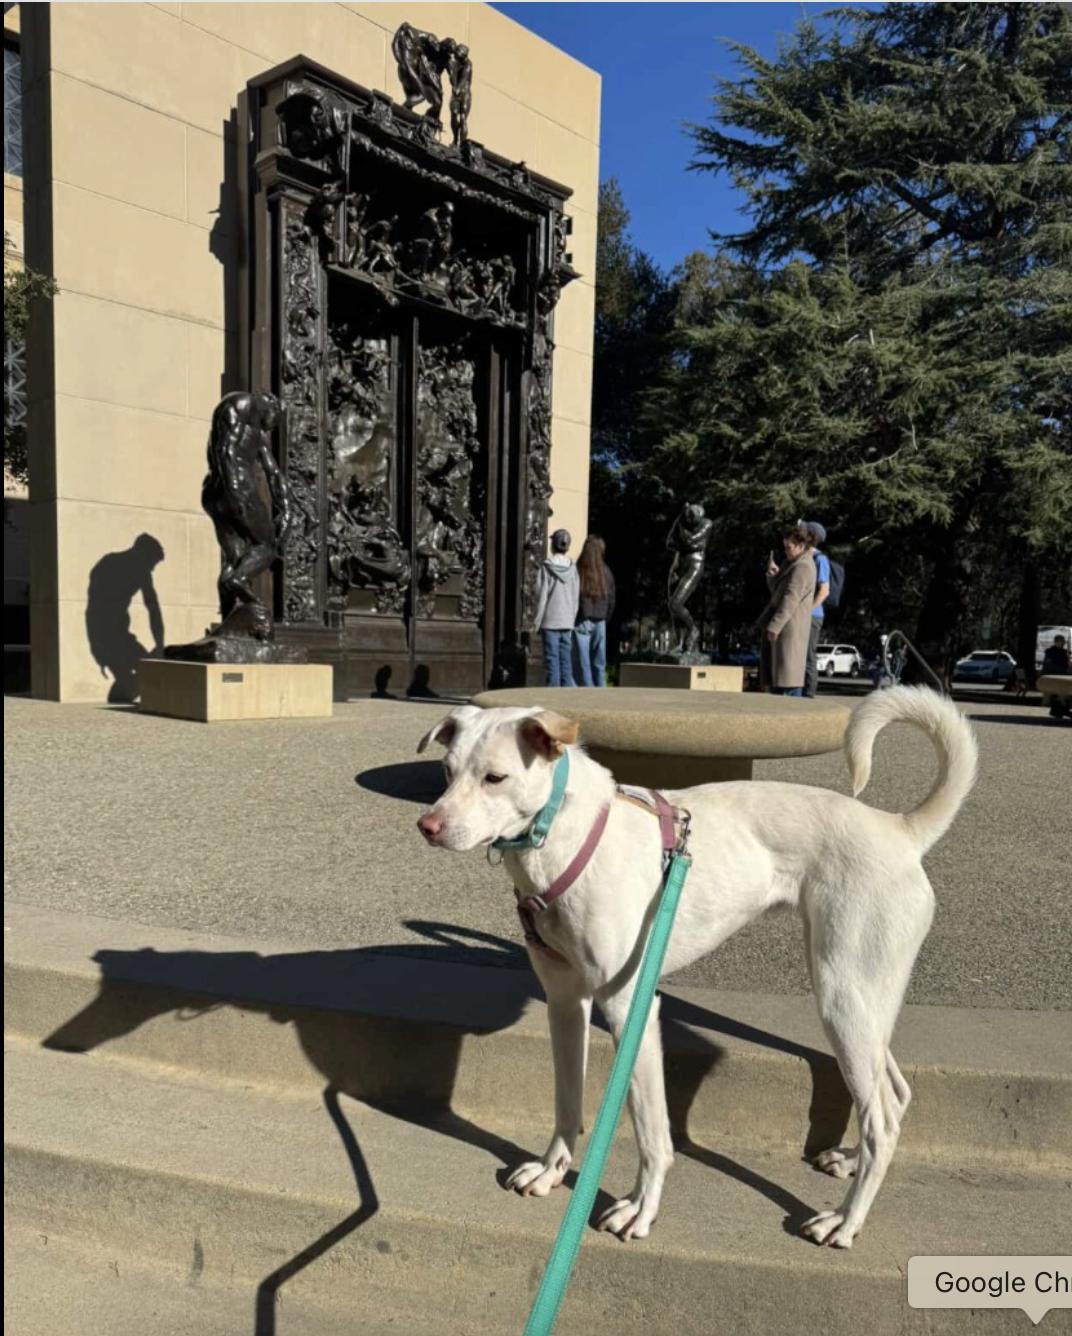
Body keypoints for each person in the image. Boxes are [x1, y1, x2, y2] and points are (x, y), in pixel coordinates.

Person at [758, 524, 817, 696]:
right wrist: (773, 575)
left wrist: (775, 626)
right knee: (780, 680)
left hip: (789, 630)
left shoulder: (803, 567)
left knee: (787, 684)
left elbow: (790, 599)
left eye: (789, 547)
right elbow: (779, 593)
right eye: (784, 547)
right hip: (785, 629)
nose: (786, 551)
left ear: (801, 546)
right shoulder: (793, 563)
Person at [532, 529, 580, 687]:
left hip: (550, 622)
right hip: (567, 623)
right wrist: (571, 620)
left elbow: (541, 597)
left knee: (552, 664)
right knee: (566, 664)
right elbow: (575, 598)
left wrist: (537, 622)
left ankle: (552, 700)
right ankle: (566, 702)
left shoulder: (546, 568)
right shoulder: (573, 569)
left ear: (553, 545)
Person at [573, 534, 615, 687]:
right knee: (599, 661)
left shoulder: (579, 570)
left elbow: (573, 597)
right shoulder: (606, 571)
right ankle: (601, 690)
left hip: (582, 619)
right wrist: (605, 618)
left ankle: (587, 692)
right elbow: (611, 599)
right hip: (600, 620)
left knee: (583, 662)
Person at [799, 519, 831, 697]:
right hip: (803, 614)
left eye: (804, 530)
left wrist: (808, 610)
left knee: (808, 655)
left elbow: (824, 590)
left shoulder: (820, 559)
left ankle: (809, 693)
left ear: (811, 536)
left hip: (813, 615)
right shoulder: (803, 556)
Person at [1041, 634, 1070, 719]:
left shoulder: (1062, 652)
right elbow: (1049, 666)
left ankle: (1059, 709)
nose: (1063, 643)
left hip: (1059, 675)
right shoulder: (1051, 652)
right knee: (1062, 689)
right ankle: (1060, 707)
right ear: (1057, 642)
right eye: (1062, 641)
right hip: (1054, 676)